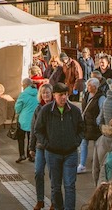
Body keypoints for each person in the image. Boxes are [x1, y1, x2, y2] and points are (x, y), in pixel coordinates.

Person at [33, 82, 84, 210]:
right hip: (52, 153)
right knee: (55, 186)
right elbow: (38, 130)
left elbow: (82, 129)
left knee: (69, 185)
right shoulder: (46, 110)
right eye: (60, 95)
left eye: (65, 94)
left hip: (70, 153)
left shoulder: (74, 110)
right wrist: (47, 144)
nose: (63, 97)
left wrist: (75, 142)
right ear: (54, 95)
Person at [28, 83, 53, 210]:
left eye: (47, 92)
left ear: (52, 93)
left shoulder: (55, 107)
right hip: (40, 146)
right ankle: (40, 200)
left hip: (53, 147)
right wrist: (31, 147)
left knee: (54, 175)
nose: (46, 95)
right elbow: (33, 128)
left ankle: (54, 201)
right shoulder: (38, 109)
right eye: (43, 93)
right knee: (38, 172)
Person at [78, 78, 103, 175]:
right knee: (84, 143)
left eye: (89, 85)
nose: (87, 87)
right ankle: (82, 164)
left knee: (97, 145)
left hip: (94, 125)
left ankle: (97, 164)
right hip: (86, 124)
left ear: (95, 87)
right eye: (87, 85)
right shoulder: (86, 94)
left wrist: (98, 121)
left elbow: (102, 110)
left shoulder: (100, 98)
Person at [15, 77, 40, 163]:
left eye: (22, 85)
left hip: (23, 119)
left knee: (21, 138)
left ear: (25, 85)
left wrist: (18, 111)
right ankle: (30, 155)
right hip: (35, 119)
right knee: (31, 138)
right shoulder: (38, 93)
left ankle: (22, 155)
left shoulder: (23, 94)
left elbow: (17, 108)